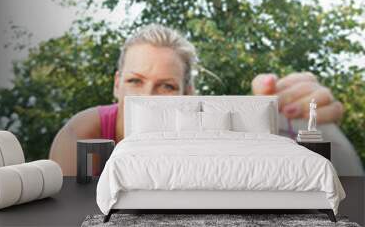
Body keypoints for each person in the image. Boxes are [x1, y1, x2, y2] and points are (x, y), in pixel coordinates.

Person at [49, 24, 364, 176]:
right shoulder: (84, 134)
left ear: (188, 94)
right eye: (134, 81)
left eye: (166, 87)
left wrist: (298, 118)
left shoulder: (206, 128)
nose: (146, 98)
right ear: (117, 84)